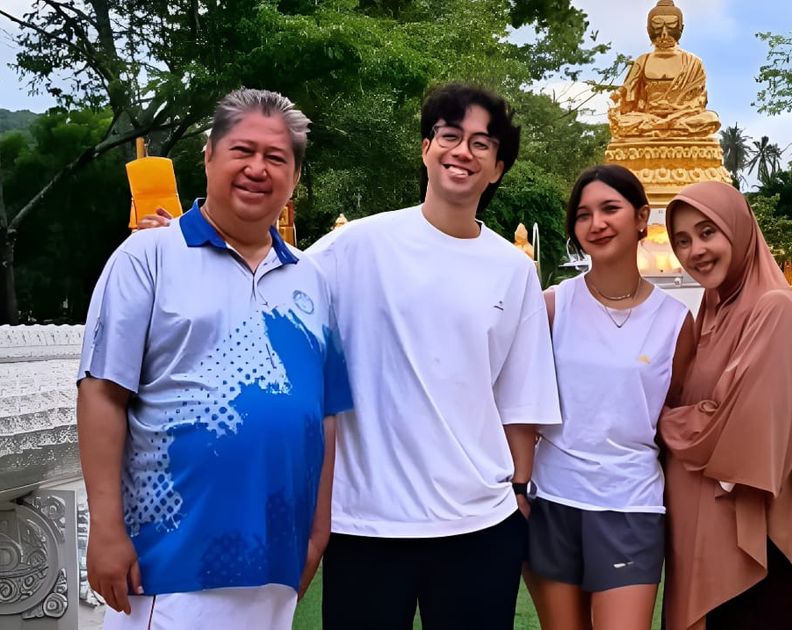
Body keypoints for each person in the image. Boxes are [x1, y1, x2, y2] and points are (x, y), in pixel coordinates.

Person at [77, 88, 352, 630]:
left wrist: (317, 531)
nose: (257, 168)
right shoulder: (148, 256)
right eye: (242, 150)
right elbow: (103, 392)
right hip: (168, 562)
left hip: (275, 558)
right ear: (208, 156)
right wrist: (106, 528)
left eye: (276, 157)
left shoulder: (310, 279)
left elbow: (323, 412)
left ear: (295, 176)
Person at [306, 83, 561, 629]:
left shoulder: (514, 270)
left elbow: (520, 400)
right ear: (426, 148)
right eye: (449, 136)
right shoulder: (353, 247)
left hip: (479, 523)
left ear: (497, 168)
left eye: (481, 144)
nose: (462, 152)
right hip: (368, 521)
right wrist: (174, 242)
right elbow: (268, 283)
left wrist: (519, 491)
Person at [525, 164, 694, 630]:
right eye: (583, 215)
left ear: (641, 218)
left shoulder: (675, 321)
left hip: (631, 504)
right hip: (553, 500)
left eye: (609, 209)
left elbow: (673, 415)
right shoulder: (553, 305)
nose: (596, 223)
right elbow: (522, 401)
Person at [661, 181, 792, 630]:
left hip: (748, 531)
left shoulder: (773, 307)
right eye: (682, 240)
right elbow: (702, 403)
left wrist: (661, 422)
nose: (695, 251)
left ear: (738, 229)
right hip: (699, 525)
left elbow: (741, 431)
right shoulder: (712, 308)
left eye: (707, 232)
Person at [608, 0, 721, 139]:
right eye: (657, 27)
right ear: (648, 29)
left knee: (710, 119)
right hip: (648, 116)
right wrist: (619, 95)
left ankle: (661, 128)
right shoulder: (643, 60)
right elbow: (627, 93)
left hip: (681, 116)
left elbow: (699, 100)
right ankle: (664, 127)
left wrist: (676, 111)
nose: (664, 34)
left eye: (671, 26)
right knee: (624, 121)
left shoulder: (693, 62)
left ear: (681, 28)